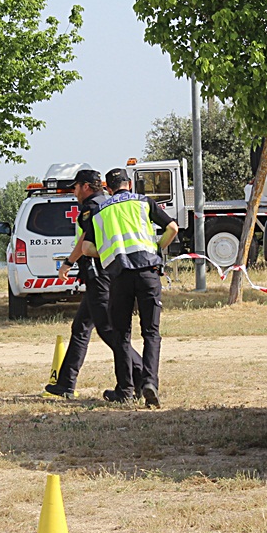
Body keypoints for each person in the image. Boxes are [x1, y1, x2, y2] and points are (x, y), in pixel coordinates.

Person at [45, 169, 143, 399]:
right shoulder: (104, 202)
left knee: (109, 331)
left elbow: (85, 240)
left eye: (76, 187)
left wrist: (68, 262)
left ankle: (140, 376)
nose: (74, 192)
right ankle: (66, 383)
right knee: (80, 327)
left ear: (86, 186)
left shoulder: (92, 206)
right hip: (102, 275)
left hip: (99, 276)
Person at [86, 168, 177, 407]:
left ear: (108, 188)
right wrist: (157, 249)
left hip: (120, 275)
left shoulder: (99, 211)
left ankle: (125, 389)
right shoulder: (144, 202)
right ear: (129, 184)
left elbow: (86, 248)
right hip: (148, 273)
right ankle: (150, 383)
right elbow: (173, 228)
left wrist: (108, 255)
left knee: (121, 334)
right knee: (151, 332)